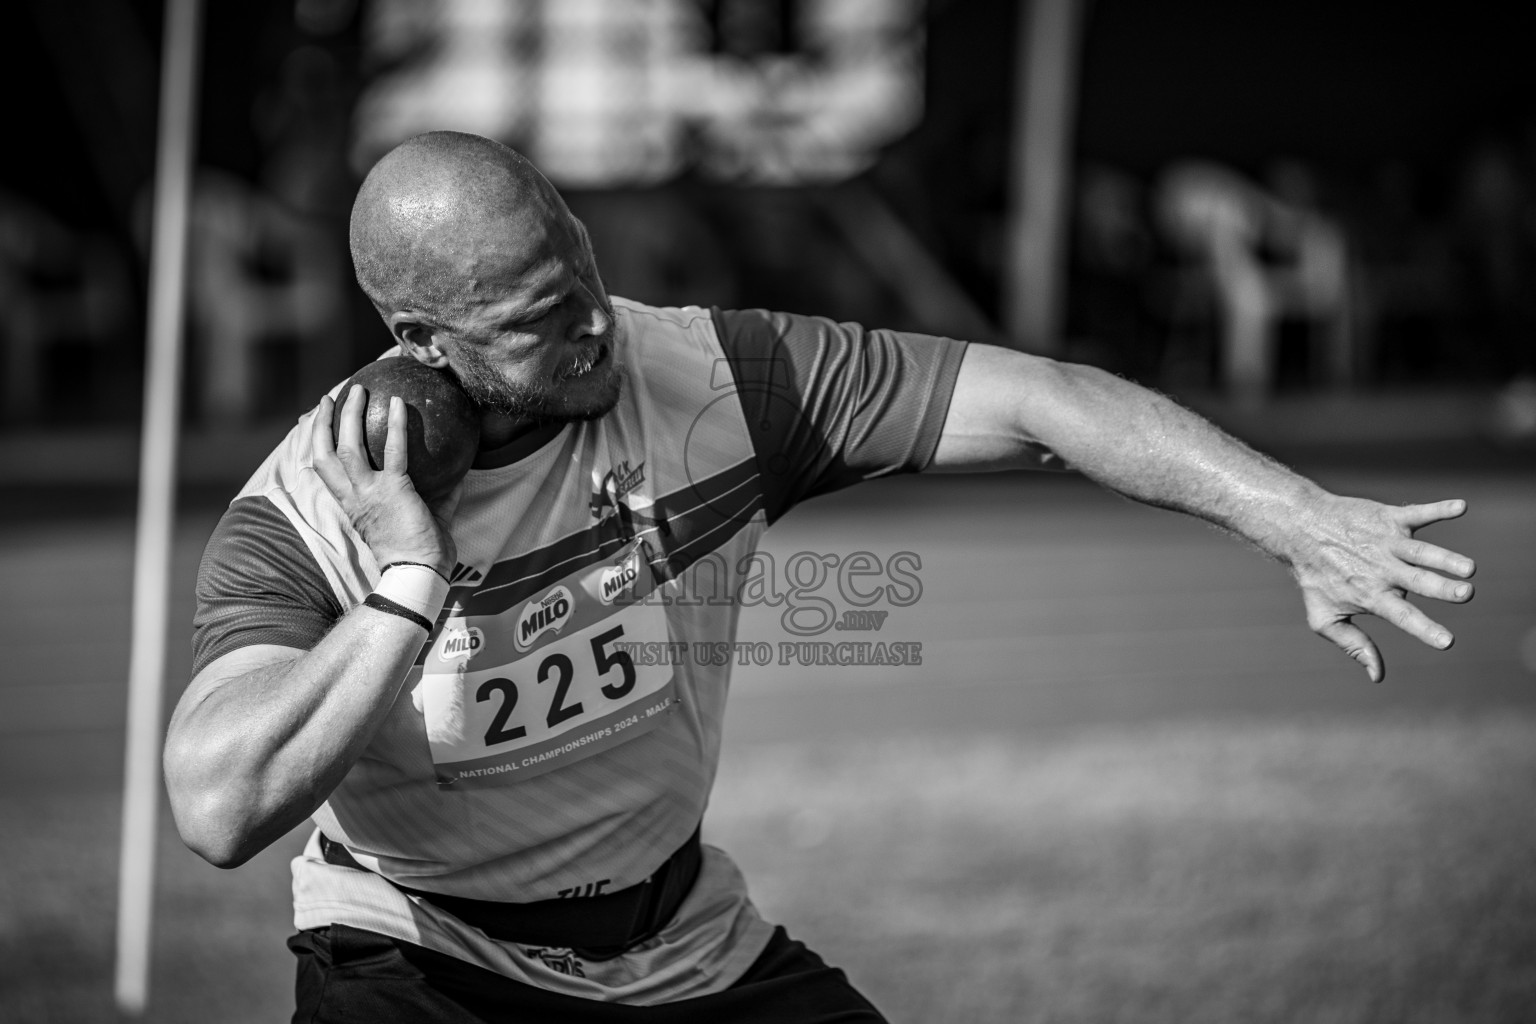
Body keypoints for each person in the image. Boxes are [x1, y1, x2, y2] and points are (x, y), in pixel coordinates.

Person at [163, 131, 1476, 1023]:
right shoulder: (308, 513)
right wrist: (406, 587)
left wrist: (1294, 517)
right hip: (419, 963)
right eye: (534, 313)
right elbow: (219, 806)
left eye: (585, 271)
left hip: (677, 944)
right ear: (419, 338)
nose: (589, 322)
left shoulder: (713, 376)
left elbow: (1043, 399)